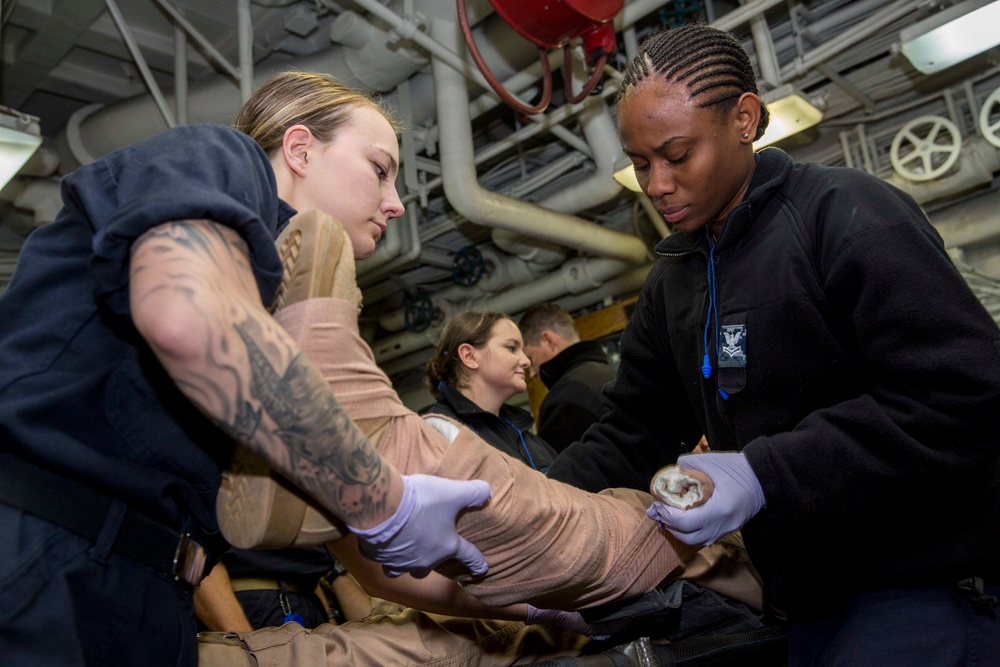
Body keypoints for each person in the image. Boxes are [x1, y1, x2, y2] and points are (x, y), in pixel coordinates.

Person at [0, 70, 493, 666]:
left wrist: (542, 601)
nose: (395, 202)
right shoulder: (220, 156)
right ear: (300, 148)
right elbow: (185, 314)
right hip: (44, 544)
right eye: (380, 168)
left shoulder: (287, 323)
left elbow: (378, 566)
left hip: (154, 594)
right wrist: (385, 501)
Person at [546, 23, 1000, 664]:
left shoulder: (844, 214)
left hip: (923, 592)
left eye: (677, 155)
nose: (655, 184)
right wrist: (522, 508)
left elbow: (967, 394)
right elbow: (631, 429)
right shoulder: (675, 280)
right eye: (640, 163)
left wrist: (765, 473)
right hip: (806, 607)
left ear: (745, 120)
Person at [424, 311, 559, 472]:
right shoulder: (438, 432)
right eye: (511, 348)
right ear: (470, 357)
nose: (525, 361)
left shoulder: (524, 434)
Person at [518, 302, 617, 453]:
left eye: (531, 359)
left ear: (548, 341)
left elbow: (558, 472)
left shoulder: (566, 396)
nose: (532, 373)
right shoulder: (608, 373)